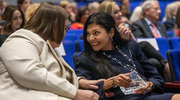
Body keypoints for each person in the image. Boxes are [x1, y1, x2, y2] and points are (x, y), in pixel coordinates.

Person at [0, 2, 103, 100]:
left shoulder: (44, 42)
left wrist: (78, 82)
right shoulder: (19, 39)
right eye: (64, 28)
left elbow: (53, 74)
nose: (64, 34)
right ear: (53, 26)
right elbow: (31, 74)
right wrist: (74, 92)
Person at [75, 11, 180, 100]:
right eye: (88, 34)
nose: (91, 38)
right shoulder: (85, 59)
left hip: (148, 96)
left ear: (111, 32)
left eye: (96, 33)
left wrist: (150, 85)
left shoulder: (130, 46)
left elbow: (155, 76)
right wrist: (110, 82)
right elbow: (85, 90)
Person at [98, 0, 171, 80]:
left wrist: (130, 36)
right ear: (107, 15)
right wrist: (123, 40)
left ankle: (161, 84)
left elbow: (135, 47)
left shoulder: (120, 29)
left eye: (119, 11)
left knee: (154, 62)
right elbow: (115, 50)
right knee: (144, 44)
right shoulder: (102, 32)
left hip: (130, 57)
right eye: (116, 12)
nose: (120, 14)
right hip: (117, 60)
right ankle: (166, 65)